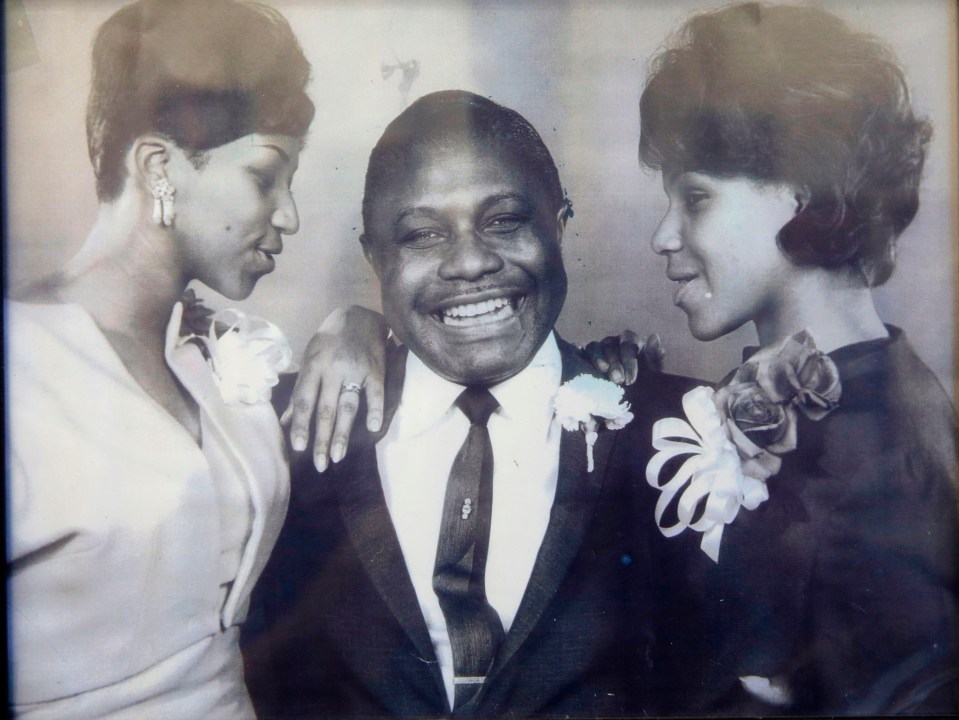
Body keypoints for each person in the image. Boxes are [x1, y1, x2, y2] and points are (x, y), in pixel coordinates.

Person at [242, 90, 693, 718]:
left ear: (558, 225)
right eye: (423, 234)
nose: (472, 261)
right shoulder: (285, 429)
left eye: (504, 220)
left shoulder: (680, 432)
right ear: (375, 256)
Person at [4, 1, 334, 717]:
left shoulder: (212, 351)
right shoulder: (21, 372)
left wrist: (357, 325)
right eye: (265, 176)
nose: (290, 216)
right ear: (159, 167)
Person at [627, 2, 958, 715]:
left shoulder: (873, 461)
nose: (662, 236)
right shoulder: (885, 393)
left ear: (798, 194)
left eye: (695, 198)